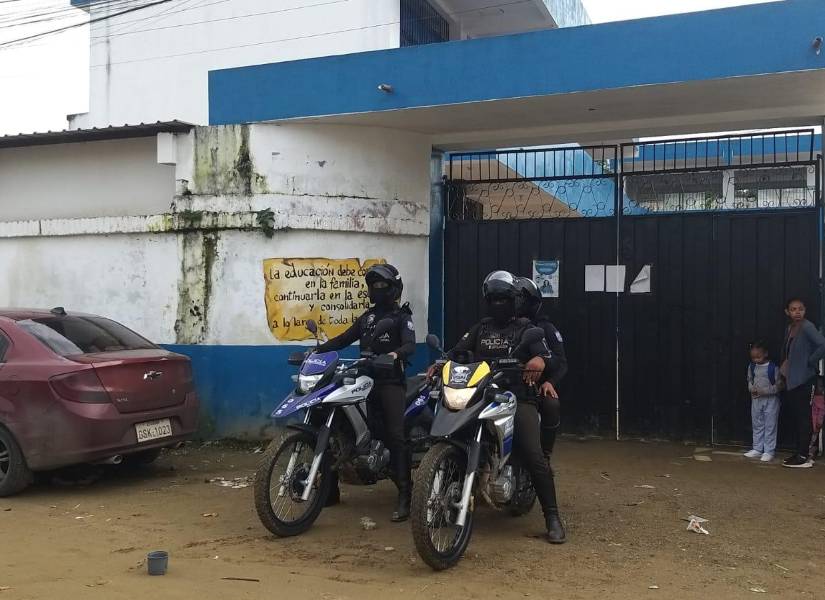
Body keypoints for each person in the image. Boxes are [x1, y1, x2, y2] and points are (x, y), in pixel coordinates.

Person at [448, 270, 566, 544]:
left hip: (516, 398)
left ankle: (553, 518)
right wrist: (441, 364)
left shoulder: (527, 328)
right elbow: (457, 352)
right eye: (494, 299)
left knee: (535, 456)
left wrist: (541, 362)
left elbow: (550, 357)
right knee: (451, 437)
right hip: (479, 395)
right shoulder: (481, 328)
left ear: (513, 301)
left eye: (504, 299)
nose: (498, 304)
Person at [315, 263, 416, 520]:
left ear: (394, 289)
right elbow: (343, 339)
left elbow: (409, 345)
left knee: (395, 434)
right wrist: (318, 351)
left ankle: (406, 493)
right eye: (374, 286)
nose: (378, 290)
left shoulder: (401, 317)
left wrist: (394, 355)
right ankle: (329, 490)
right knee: (336, 427)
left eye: (383, 285)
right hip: (364, 381)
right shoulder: (367, 318)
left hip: (390, 381)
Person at [514, 276, 568, 461]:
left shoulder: (546, 328)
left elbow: (561, 362)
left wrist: (549, 382)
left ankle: (544, 456)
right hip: (502, 382)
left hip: (534, 387)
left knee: (551, 404)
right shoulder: (493, 327)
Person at [780, 298, 825, 468]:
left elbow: (822, 345)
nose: (797, 312)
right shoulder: (791, 328)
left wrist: (810, 361)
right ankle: (798, 452)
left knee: (804, 417)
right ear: (787, 312)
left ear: (805, 310)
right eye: (793, 309)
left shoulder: (807, 327)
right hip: (792, 379)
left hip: (805, 379)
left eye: (800, 309)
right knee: (797, 417)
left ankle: (804, 455)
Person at [744, 340, 782, 462]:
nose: (755, 359)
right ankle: (757, 448)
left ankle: (769, 450)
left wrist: (764, 391)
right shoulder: (752, 366)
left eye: (758, 357)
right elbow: (749, 379)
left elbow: (779, 386)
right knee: (757, 424)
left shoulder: (773, 368)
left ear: (765, 353)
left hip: (771, 401)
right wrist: (752, 389)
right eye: (753, 357)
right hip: (756, 400)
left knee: (770, 425)